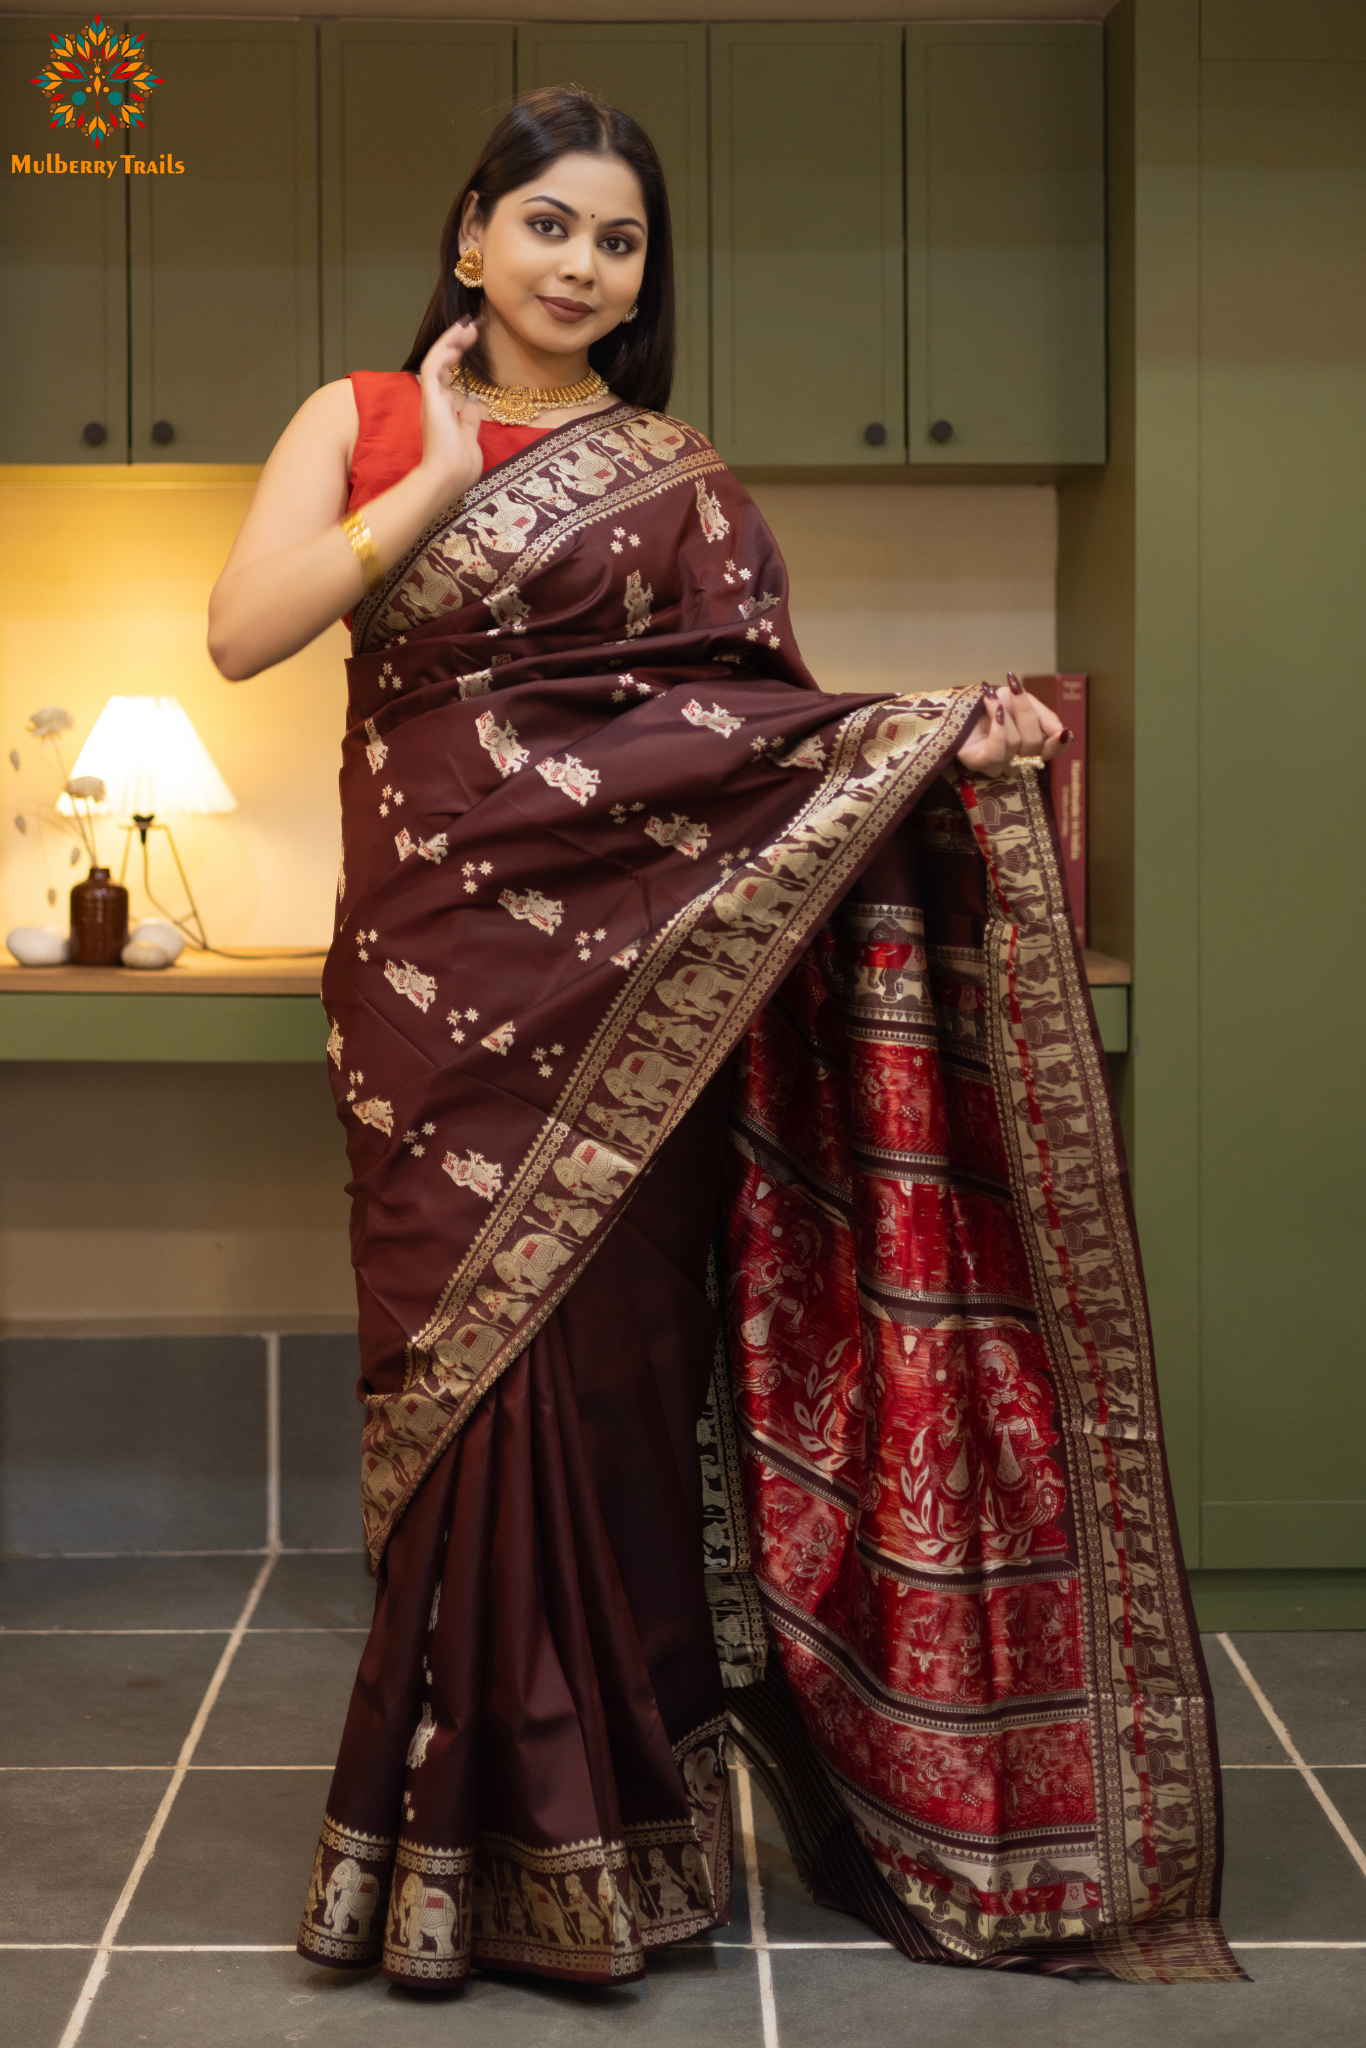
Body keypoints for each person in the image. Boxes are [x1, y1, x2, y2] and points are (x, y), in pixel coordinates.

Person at [210, 86, 1239, 1992]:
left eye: (618, 243)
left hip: (629, 1002)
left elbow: (739, 739)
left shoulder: (681, 481)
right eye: (550, 227)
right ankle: (453, 1827)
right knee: (457, 1386)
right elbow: (245, 632)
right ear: (472, 236)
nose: (583, 267)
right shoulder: (356, 419)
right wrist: (428, 479)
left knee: (603, 1389)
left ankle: (602, 1822)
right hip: (428, 979)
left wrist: (929, 735)